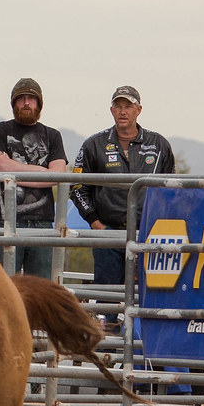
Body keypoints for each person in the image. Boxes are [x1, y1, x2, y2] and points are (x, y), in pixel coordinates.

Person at [70, 85, 174, 329]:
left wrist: (159, 226)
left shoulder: (158, 145)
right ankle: (107, 352)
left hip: (148, 235)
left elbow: (172, 190)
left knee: (151, 296)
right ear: (111, 110)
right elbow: (76, 186)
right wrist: (95, 222)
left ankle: (148, 355)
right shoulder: (93, 144)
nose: (123, 111)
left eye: (128, 106)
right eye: (118, 106)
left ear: (139, 110)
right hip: (109, 233)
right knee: (108, 300)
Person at [0, 77, 68, 279]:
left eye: (31, 98)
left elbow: (58, 175)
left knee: (41, 288)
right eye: (21, 98)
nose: (26, 103)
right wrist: (44, 173)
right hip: (7, 220)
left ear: (39, 104)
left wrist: (16, 174)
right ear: (13, 103)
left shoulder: (53, 135)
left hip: (43, 222)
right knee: (3, 285)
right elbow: (1, 166)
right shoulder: (0, 131)